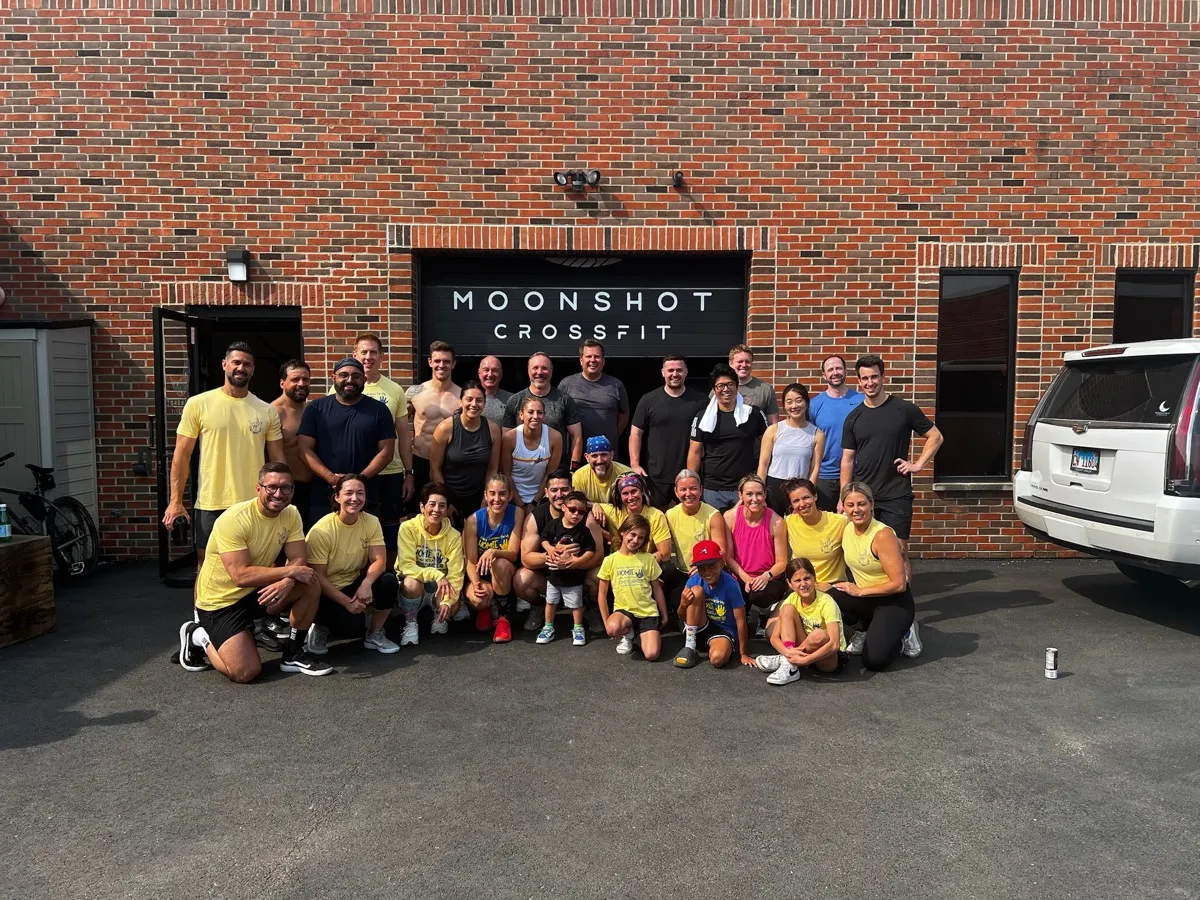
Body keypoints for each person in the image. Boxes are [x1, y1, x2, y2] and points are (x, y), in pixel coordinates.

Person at [176, 462, 331, 681]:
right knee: (244, 672)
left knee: (309, 582)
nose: (279, 494)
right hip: (221, 604)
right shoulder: (234, 520)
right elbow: (240, 576)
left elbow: (298, 557)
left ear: (293, 490)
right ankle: (198, 635)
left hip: (257, 593)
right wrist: (289, 573)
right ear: (259, 489)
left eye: (286, 488)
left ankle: (293, 653)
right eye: (272, 487)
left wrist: (288, 580)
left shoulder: (291, 513)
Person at [164, 342, 284, 564]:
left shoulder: (266, 411)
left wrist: (281, 498)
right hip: (211, 502)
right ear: (224, 364)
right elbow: (181, 456)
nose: (241, 368)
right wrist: (176, 502)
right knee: (207, 564)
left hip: (254, 503)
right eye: (236, 362)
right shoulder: (198, 404)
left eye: (247, 364)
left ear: (253, 369)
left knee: (256, 563)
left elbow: (278, 462)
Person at [840, 353, 944, 577]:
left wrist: (918, 465)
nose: (870, 383)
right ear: (858, 381)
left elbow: (935, 436)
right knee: (867, 552)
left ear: (883, 377)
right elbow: (847, 459)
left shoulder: (904, 409)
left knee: (899, 551)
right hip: (865, 496)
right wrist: (844, 496)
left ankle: (902, 605)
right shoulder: (853, 418)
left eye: (874, 377)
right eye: (864, 378)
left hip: (897, 492)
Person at [303, 473, 400, 657]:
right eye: (348, 493)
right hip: (324, 592)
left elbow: (380, 560)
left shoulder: (371, 521)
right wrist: (347, 603)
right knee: (350, 627)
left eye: (360, 493)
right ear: (337, 496)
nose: (354, 498)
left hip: (353, 582)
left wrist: (366, 584)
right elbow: (318, 578)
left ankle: (375, 633)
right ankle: (319, 626)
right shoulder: (322, 530)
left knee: (388, 581)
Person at [828, 482, 922, 670]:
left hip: (893, 601)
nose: (856, 510)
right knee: (828, 595)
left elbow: (899, 584)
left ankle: (905, 632)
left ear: (872, 504)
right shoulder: (846, 528)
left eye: (862, 504)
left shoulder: (882, 535)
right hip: (866, 599)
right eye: (850, 505)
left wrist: (860, 591)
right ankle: (864, 629)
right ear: (844, 507)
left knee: (875, 661)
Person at [341, 334, 414, 557]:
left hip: (389, 472)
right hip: (355, 473)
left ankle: (389, 576)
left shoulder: (394, 390)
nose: (368, 357)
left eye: (373, 352)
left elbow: (403, 434)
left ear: (382, 357)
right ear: (355, 355)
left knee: (389, 525)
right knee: (357, 524)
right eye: (364, 352)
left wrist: (408, 473)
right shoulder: (339, 388)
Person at [298, 357, 397, 524]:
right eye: (344, 375)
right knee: (320, 544)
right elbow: (303, 450)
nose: (350, 380)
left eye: (356, 376)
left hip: (364, 494)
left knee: (366, 544)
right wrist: (333, 480)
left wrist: (358, 481)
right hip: (324, 493)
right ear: (333, 378)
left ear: (364, 380)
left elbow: (386, 452)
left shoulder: (379, 411)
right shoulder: (316, 409)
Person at [629, 355, 708, 508]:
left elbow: (710, 436)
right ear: (663, 372)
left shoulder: (701, 401)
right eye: (670, 370)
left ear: (686, 372)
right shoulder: (648, 400)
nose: (675, 374)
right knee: (656, 521)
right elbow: (636, 433)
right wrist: (635, 464)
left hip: (689, 476)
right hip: (655, 476)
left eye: (679, 370)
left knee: (690, 521)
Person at [688, 363, 768, 511]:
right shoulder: (703, 417)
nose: (726, 389)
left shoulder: (752, 414)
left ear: (737, 386)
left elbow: (768, 444)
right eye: (720, 386)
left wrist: (760, 480)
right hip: (712, 489)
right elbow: (695, 452)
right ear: (714, 390)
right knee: (715, 533)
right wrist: (691, 485)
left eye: (730, 384)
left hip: (745, 488)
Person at [756, 557, 847, 685]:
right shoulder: (791, 599)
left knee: (818, 634)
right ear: (789, 583)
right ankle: (789, 662)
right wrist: (787, 651)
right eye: (797, 580)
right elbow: (774, 638)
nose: (803, 584)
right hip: (803, 650)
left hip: (827, 658)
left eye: (807, 578)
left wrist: (804, 661)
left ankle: (787, 662)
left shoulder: (827, 602)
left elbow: (834, 644)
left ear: (814, 578)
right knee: (787, 609)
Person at [395, 482, 465, 646]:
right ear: (422, 507)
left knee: (451, 603)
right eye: (431, 504)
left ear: (447, 510)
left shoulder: (453, 535)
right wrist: (437, 574)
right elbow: (406, 566)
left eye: (442, 506)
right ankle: (411, 622)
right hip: (414, 588)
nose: (436, 510)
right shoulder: (407, 528)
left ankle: (439, 617)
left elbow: (456, 573)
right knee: (411, 581)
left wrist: (448, 601)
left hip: (439, 588)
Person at [535, 489, 603, 647]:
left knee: (576, 604)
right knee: (550, 602)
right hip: (553, 576)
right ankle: (548, 627)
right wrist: (550, 549)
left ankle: (578, 628)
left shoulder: (583, 531)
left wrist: (577, 561)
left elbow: (590, 551)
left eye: (581, 511)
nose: (576, 514)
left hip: (573, 578)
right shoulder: (554, 525)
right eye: (572, 509)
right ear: (564, 508)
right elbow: (543, 539)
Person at [462, 473, 525, 643]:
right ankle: (485, 608)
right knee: (478, 597)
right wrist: (476, 584)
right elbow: (470, 561)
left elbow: (512, 553)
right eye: (492, 493)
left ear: (510, 496)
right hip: (482, 574)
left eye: (503, 493)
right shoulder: (473, 520)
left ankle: (503, 618)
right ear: (485, 495)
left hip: (504, 572)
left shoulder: (517, 513)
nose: (497, 499)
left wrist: (493, 551)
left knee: (500, 564)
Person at [672, 540, 753, 670]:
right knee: (696, 591)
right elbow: (682, 617)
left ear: (721, 564)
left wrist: (743, 653)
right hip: (699, 626)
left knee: (717, 660)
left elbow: (741, 620)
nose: (707, 571)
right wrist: (683, 603)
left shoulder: (731, 585)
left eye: (711, 566)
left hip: (723, 630)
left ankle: (710, 646)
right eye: (702, 567)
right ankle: (690, 646)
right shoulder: (693, 580)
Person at [429, 380, 502, 522]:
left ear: (484, 404)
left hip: (479, 496)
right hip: (449, 495)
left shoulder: (493, 430)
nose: (474, 404)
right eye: (469, 399)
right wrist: (446, 502)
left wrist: (486, 498)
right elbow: (435, 468)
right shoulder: (445, 428)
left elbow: (493, 468)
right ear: (460, 402)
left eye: (479, 400)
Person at [597, 515, 667, 660]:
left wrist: (664, 615)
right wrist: (606, 624)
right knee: (612, 628)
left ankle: (635, 635)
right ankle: (628, 633)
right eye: (632, 534)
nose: (635, 540)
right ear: (622, 532)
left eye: (641, 538)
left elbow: (657, 589)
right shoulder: (610, 560)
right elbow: (602, 595)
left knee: (652, 655)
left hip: (647, 612)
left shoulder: (648, 559)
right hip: (625, 612)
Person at [513, 470, 574, 630]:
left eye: (564, 489)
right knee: (521, 578)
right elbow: (526, 558)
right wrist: (553, 555)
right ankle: (539, 605)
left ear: (572, 490)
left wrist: (574, 561)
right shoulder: (535, 517)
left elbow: (598, 555)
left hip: (577, 576)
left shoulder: (583, 513)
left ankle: (590, 607)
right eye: (554, 490)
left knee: (597, 574)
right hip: (547, 580)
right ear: (546, 492)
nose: (559, 495)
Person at [722, 475, 788, 625]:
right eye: (749, 494)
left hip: (769, 579)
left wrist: (765, 576)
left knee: (758, 593)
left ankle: (765, 613)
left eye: (759, 494)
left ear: (765, 495)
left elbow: (782, 562)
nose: (755, 499)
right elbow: (728, 557)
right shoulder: (730, 517)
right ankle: (745, 613)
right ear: (740, 495)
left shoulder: (776, 521)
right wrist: (747, 579)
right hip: (740, 576)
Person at [662, 469, 728, 614]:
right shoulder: (670, 515)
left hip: (708, 570)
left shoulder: (713, 515)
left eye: (693, 488)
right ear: (676, 492)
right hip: (683, 572)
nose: (688, 494)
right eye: (683, 489)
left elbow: (721, 550)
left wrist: (702, 567)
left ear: (701, 490)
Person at [502, 352, 583, 470]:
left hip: (557, 473)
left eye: (544, 368)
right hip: (521, 472)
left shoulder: (564, 400)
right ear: (528, 370)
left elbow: (576, 436)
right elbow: (506, 440)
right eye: (535, 368)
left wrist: (574, 468)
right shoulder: (515, 401)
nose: (539, 372)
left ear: (551, 371)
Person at [406, 341, 462, 511]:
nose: (441, 365)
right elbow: (399, 426)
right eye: (437, 361)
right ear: (430, 362)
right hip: (420, 460)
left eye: (446, 361)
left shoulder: (461, 395)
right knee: (417, 512)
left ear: (453, 364)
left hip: (449, 464)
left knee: (448, 511)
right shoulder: (415, 393)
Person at [758, 382, 824, 516]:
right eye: (789, 402)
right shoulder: (773, 430)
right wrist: (760, 491)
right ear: (784, 405)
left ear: (806, 402)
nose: (794, 406)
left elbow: (815, 468)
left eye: (799, 401)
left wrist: (808, 494)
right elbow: (763, 465)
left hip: (799, 488)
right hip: (773, 486)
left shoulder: (817, 434)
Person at [808, 355, 863, 512]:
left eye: (838, 368)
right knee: (826, 528)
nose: (835, 372)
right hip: (825, 476)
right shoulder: (814, 405)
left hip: (857, 475)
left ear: (845, 371)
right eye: (830, 369)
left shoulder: (862, 401)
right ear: (824, 375)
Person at [590, 472, 674, 568]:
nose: (630, 497)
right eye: (625, 493)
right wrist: (595, 506)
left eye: (634, 491)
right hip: (617, 565)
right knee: (591, 577)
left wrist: (633, 565)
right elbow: (580, 504)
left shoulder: (656, 515)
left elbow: (665, 554)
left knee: (669, 569)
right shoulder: (614, 511)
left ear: (642, 491)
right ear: (620, 496)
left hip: (644, 565)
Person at [559, 339, 629, 448]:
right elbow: (559, 417)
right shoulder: (566, 384)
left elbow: (623, 417)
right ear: (581, 360)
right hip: (576, 454)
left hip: (606, 454)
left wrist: (610, 437)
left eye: (597, 356)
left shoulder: (616, 385)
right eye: (588, 356)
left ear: (603, 361)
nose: (593, 360)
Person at [783, 478, 848, 592]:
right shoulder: (788, 522)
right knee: (783, 610)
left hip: (831, 587)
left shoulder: (840, 522)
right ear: (791, 505)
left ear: (815, 496)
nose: (802, 504)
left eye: (806, 497)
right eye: (796, 501)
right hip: (802, 587)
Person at [271, 359, 314, 529]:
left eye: (306, 379)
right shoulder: (273, 412)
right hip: (286, 490)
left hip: (315, 489)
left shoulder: (314, 410)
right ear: (283, 383)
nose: (301, 384)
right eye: (295, 379)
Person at [502, 394, 562, 509]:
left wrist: (535, 502)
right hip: (513, 497)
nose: (535, 416)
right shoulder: (509, 438)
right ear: (521, 414)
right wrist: (519, 503)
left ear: (544, 415)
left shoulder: (555, 437)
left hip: (542, 497)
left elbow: (550, 474)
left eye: (539, 412)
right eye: (530, 412)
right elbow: (506, 475)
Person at [727, 344, 779, 424]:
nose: (744, 365)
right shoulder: (721, 389)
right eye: (740, 361)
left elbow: (773, 425)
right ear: (730, 364)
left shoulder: (765, 389)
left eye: (747, 361)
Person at [572, 434, 631, 504]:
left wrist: (598, 506)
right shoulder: (579, 476)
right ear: (587, 457)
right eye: (594, 456)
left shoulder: (626, 474)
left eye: (604, 455)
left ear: (612, 455)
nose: (599, 461)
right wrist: (594, 506)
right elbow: (578, 504)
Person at [478, 355, 511, 428]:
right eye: (486, 370)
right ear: (479, 373)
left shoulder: (512, 399)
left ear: (501, 374)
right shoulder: (470, 399)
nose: (490, 375)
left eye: (495, 370)